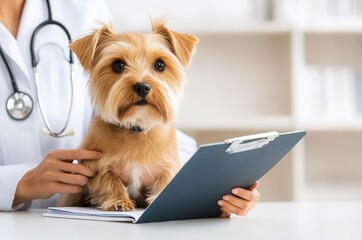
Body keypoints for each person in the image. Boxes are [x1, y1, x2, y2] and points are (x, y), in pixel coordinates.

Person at [0, 0, 260, 216]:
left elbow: (135, 130)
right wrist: (18, 184)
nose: (141, 82)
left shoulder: (83, 8)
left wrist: (214, 190)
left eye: (159, 66)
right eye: (118, 66)